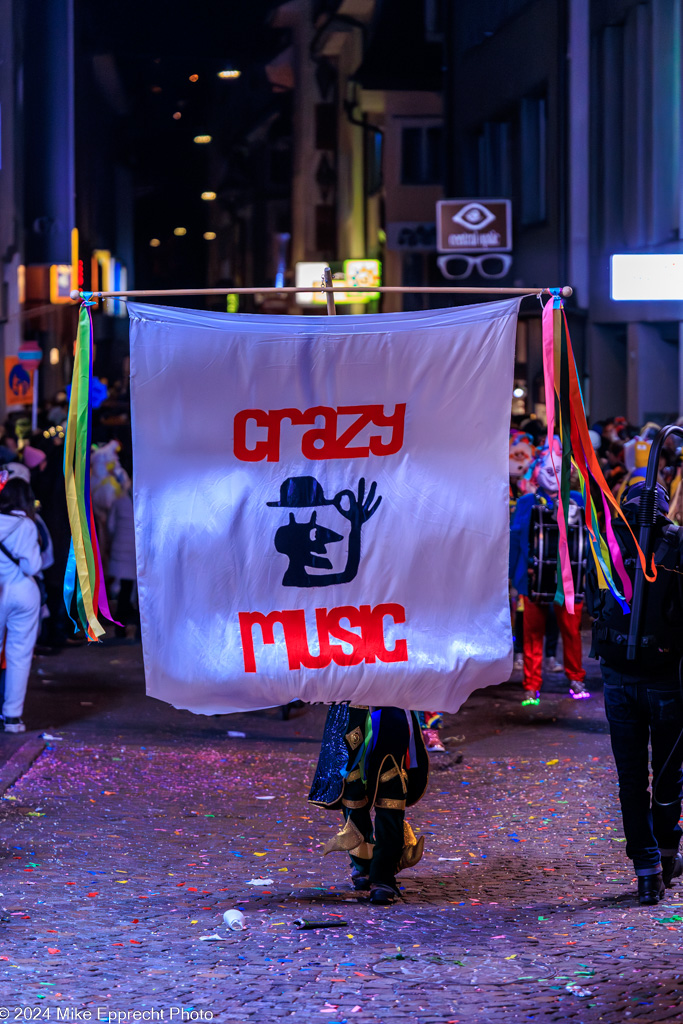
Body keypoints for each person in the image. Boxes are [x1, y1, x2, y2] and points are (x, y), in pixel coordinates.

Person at [586, 482, 683, 905]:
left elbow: (591, 602)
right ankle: (665, 852)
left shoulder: (603, 543)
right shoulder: (678, 542)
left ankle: (647, 871)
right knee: (667, 775)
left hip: (618, 679)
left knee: (630, 780)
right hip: (667, 679)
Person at [309, 704, 428, 904]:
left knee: (381, 783)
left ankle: (374, 872)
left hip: (377, 705)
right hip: (371, 706)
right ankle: (376, 874)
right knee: (361, 784)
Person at [509, 438, 589, 705]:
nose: (553, 475)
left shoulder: (576, 500)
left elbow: (586, 540)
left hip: (568, 580)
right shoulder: (526, 502)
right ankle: (531, 684)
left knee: (571, 630)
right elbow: (515, 540)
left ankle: (576, 677)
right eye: (547, 470)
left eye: (558, 471)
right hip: (533, 579)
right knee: (532, 634)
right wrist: (514, 575)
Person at [0, 476, 42, 732]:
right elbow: (32, 566)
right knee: (19, 655)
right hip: (23, 592)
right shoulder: (27, 526)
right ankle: (13, 717)